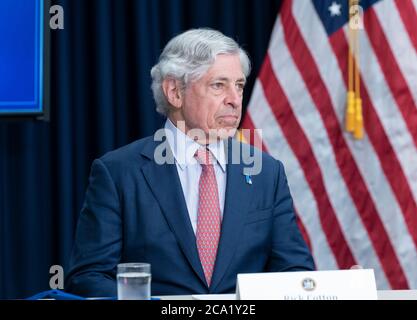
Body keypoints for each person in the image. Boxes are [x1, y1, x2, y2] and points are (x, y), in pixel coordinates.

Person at [65, 28, 315, 298]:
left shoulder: (267, 172)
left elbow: (294, 272)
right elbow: (88, 278)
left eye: (239, 85)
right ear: (174, 92)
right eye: (218, 85)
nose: (234, 99)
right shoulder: (119, 173)